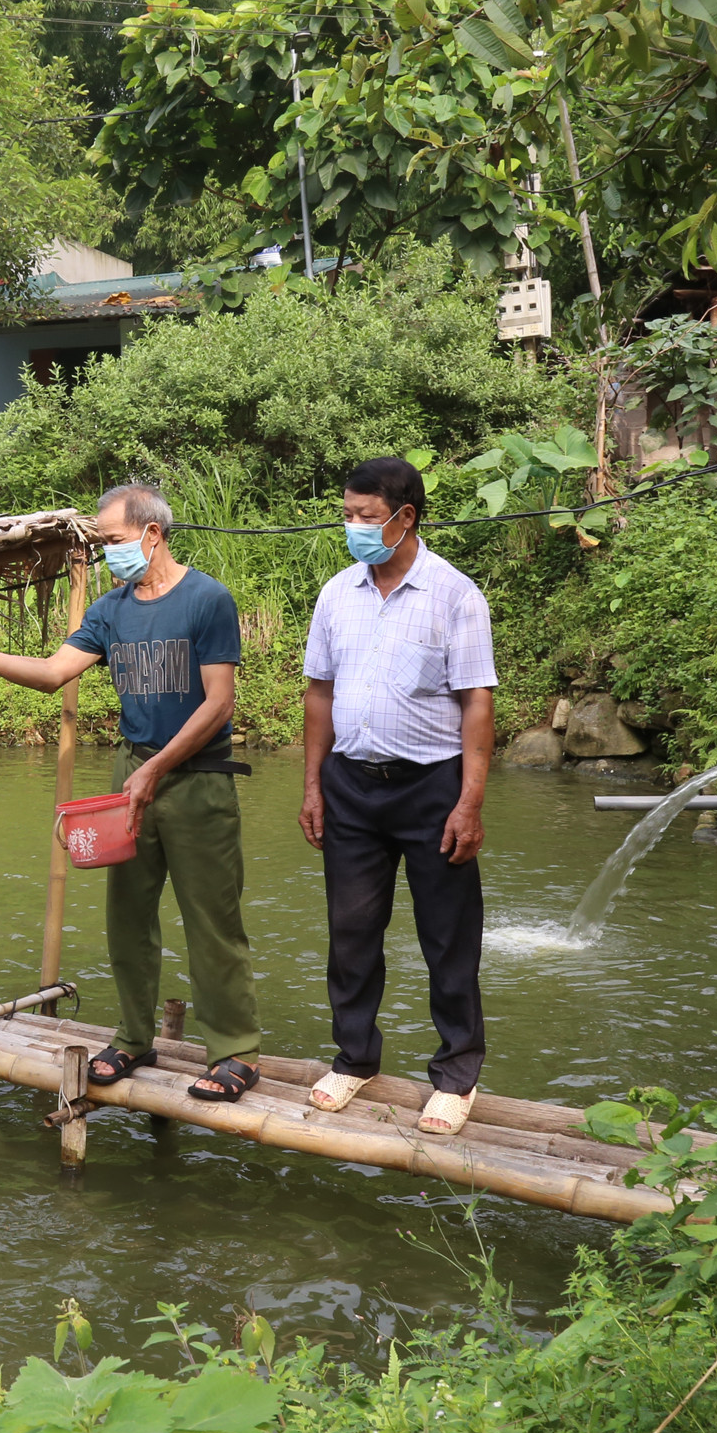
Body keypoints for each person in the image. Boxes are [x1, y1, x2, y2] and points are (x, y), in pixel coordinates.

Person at [0, 484, 262, 1102]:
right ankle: (133, 1037)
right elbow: (52, 673)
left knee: (213, 920)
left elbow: (218, 703)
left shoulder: (208, 600)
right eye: (103, 545)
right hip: (130, 774)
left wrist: (157, 770)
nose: (107, 554)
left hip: (199, 779)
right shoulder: (111, 609)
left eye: (115, 542)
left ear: (152, 535)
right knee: (127, 917)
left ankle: (234, 1052)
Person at [297, 456, 497, 1135]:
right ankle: (355, 1059)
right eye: (347, 514)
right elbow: (319, 691)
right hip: (351, 785)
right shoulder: (337, 594)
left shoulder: (454, 594)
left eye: (365, 516)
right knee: (350, 931)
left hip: (432, 787)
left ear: (405, 517)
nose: (352, 526)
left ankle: (457, 1073)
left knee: (448, 936)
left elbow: (476, 703)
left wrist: (469, 802)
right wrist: (313, 785)